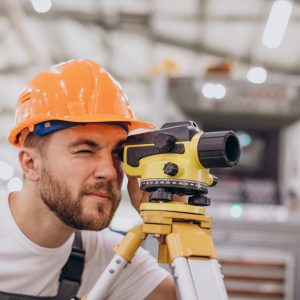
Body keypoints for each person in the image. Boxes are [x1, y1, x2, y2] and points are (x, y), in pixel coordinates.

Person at [0, 59, 177, 299]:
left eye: (117, 154)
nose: (111, 171)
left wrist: (175, 224)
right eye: (85, 150)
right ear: (31, 164)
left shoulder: (109, 256)